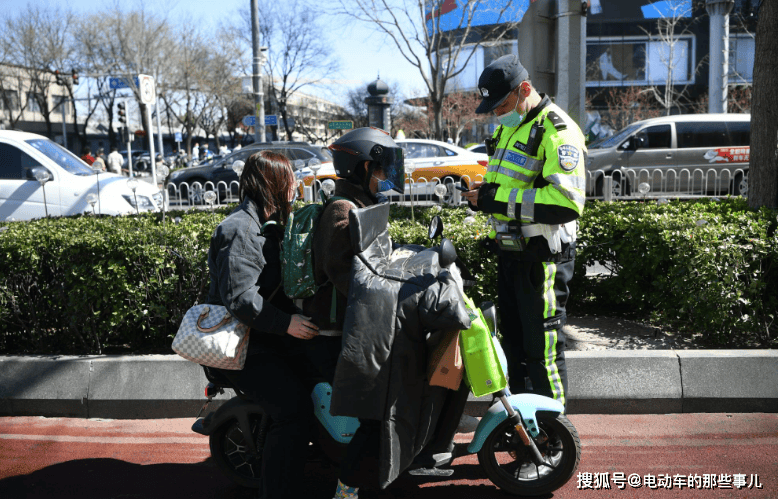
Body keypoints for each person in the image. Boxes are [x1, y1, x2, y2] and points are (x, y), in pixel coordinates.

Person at [462, 53, 586, 409]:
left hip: (542, 258)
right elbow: (506, 187)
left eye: (501, 105)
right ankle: (522, 433)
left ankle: (552, 444)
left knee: (541, 351)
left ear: (525, 89)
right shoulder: (507, 127)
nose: (496, 113)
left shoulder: (558, 130)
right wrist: (481, 195)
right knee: (513, 347)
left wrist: (494, 199)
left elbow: (565, 203)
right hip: (511, 252)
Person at [206, 150, 320, 499]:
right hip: (245, 346)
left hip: (264, 338)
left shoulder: (271, 223)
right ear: (271, 184)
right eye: (289, 180)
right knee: (294, 412)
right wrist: (287, 324)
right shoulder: (238, 230)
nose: (295, 187)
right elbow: (241, 300)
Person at [299, 127, 404, 499]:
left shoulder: (360, 204)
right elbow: (343, 270)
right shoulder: (343, 209)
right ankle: (347, 487)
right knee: (373, 412)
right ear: (362, 168)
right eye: (380, 167)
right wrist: (389, 294)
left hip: (353, 325)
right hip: (335, 333)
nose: (386, 174)